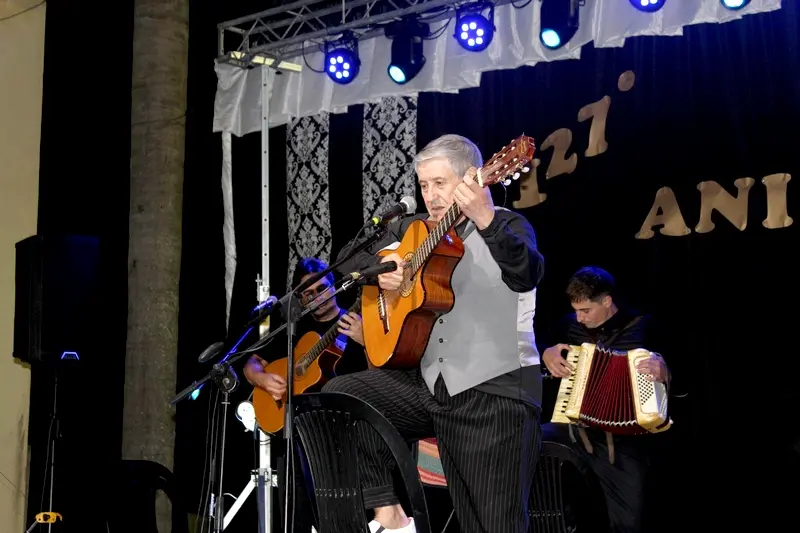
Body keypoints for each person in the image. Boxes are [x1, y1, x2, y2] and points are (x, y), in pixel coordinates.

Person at [323, 134, 546, 533]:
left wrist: (485, 218)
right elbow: (345, 259)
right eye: (424, 185)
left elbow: (526, 272)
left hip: (496, 394)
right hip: (436, 389)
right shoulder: (417, 232)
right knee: (344, 395)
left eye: (440, 183)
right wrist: (384, 267)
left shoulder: (507, 224)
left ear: (471, 178)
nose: (430, 195)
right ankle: (389, 514)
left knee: (493, 524)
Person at [243, 257, 369, 532]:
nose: (316, 296)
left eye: (321, 288)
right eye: (308, 293)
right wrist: (263, 380)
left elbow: (383, 369)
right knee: (294, 491)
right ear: (299, 298)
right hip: (298, 435)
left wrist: (364, 340)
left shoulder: (356, 322)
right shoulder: (294, 329)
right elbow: (251, 363)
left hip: (348, 433)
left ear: (334, 285)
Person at [541, 266, 670, 533]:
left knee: (628, 522)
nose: (579, 318)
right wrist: (546, 354)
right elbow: (541, 360)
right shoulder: (567, 326)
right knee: (528, 439)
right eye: (575, 310)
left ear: (607, 301)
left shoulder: (642, 327)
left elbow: (685, 384)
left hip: (624, 441)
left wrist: (665, 372)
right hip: (574, 431)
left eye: (586, 310)